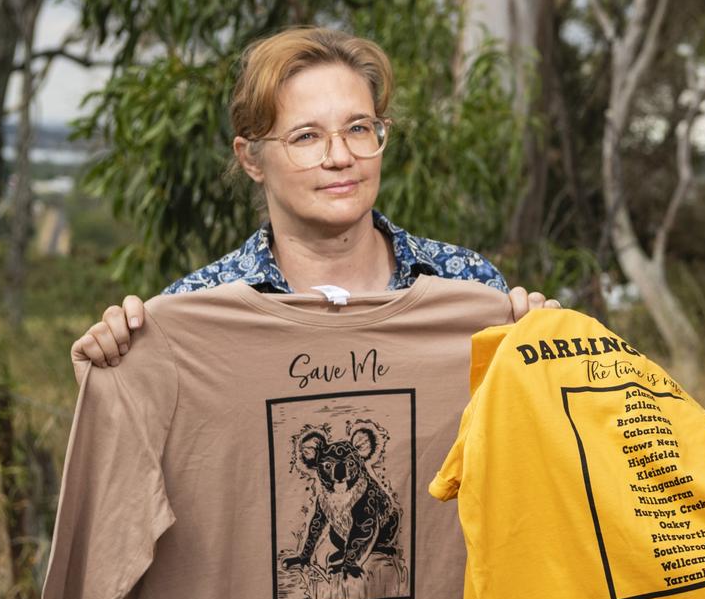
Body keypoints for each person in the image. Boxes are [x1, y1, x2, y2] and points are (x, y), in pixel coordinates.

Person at [69, 26, 555, 368]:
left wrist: (551, 352)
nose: (341, 156)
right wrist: (120, 357)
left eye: (359, 128)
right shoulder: (193, 314)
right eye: (306, 137)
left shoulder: (470, 287)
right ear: (251, 158)